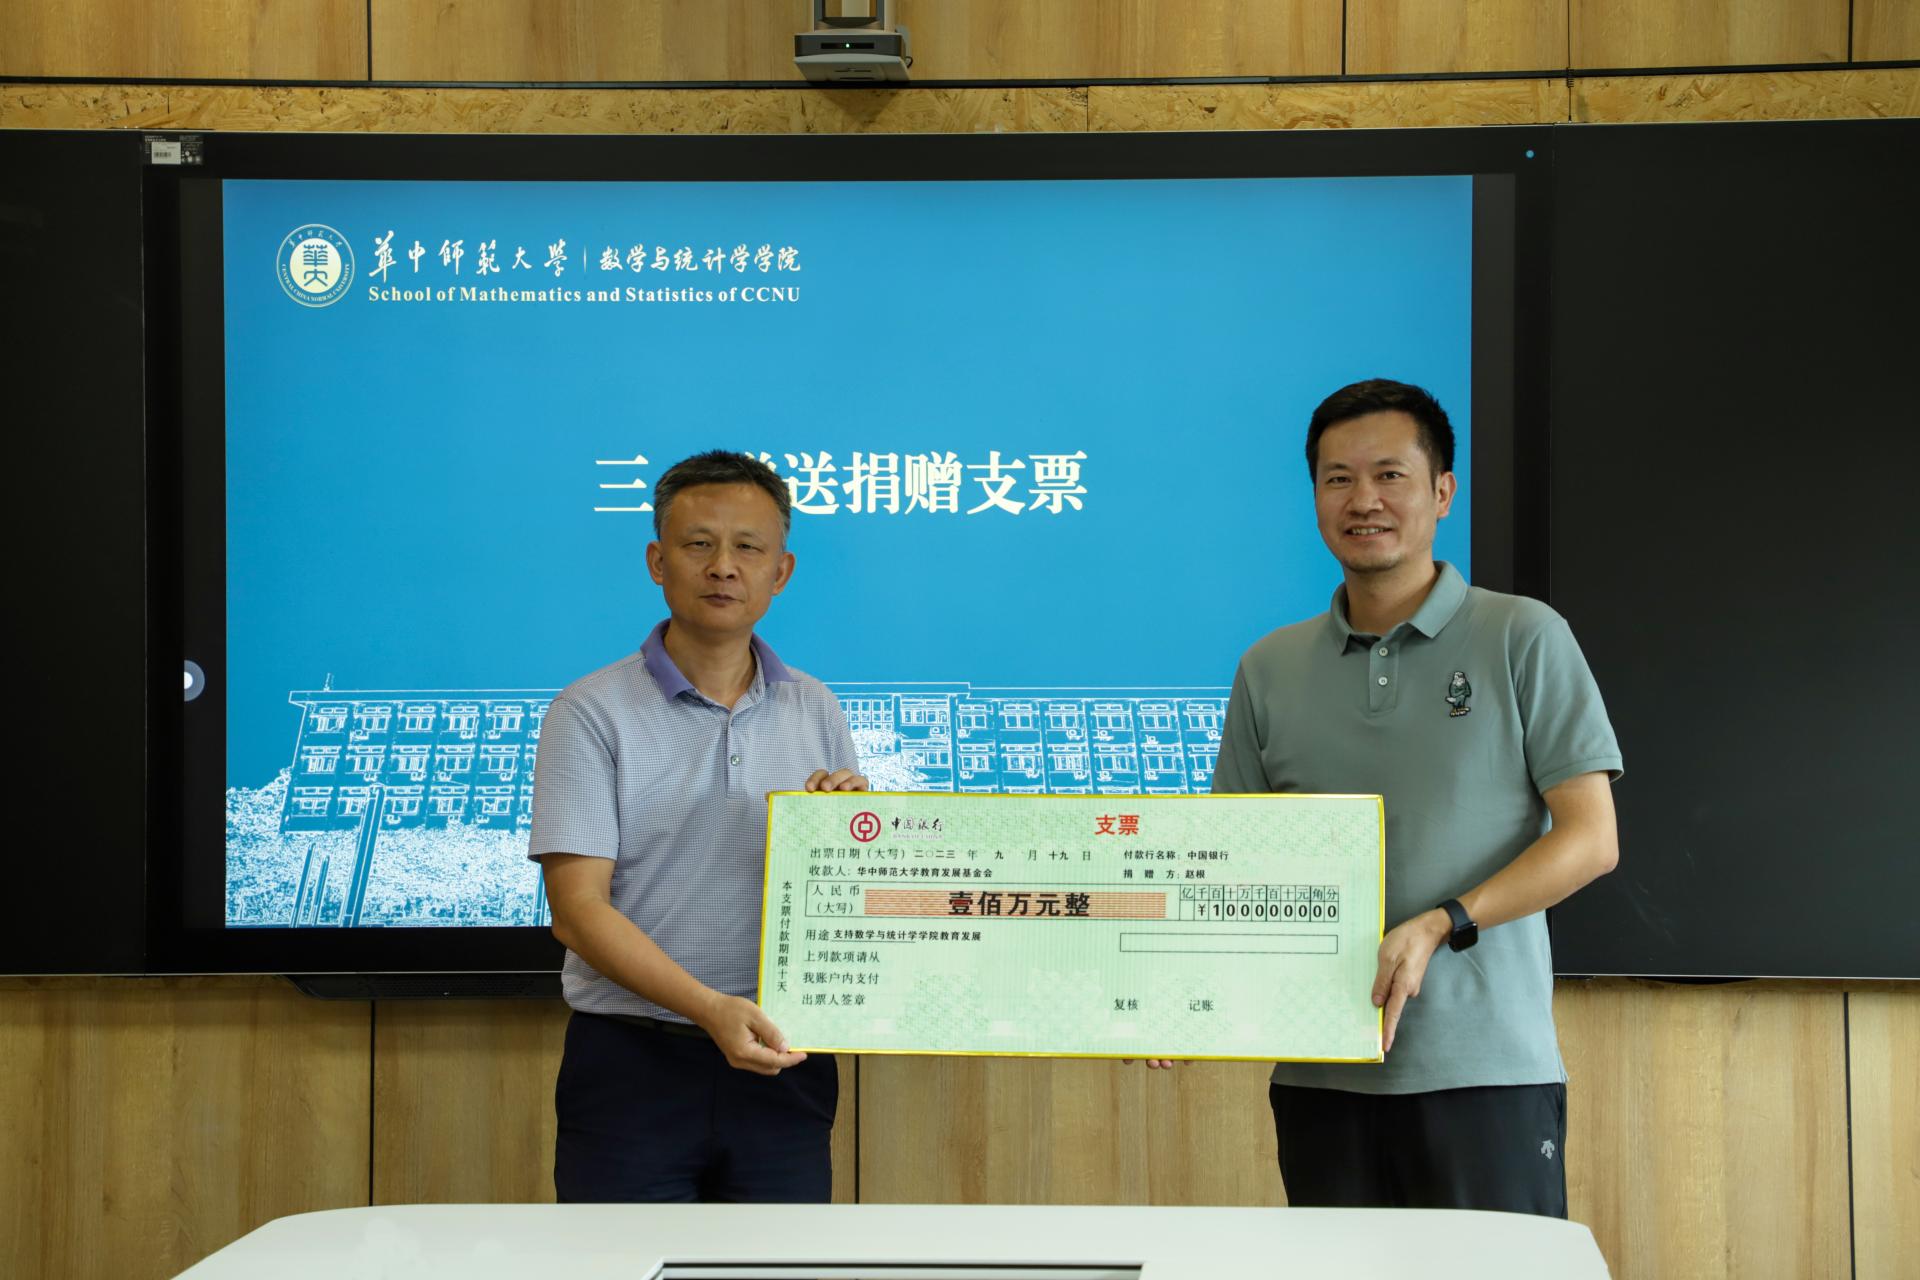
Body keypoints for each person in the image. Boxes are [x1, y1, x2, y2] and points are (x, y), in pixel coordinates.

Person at [1203, 378, 1623, 1216]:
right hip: (1322, 1074)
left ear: (1442, 492)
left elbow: (1591, 839)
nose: (1363, 500)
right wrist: (1176, 1003)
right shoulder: (1269, 667)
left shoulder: (1523, 635)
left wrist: (1443, 922)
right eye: (1338, 479)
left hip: (1486, 1074)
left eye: (1389, 475)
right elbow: (1228, 862)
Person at [528, 449, 867, 1203]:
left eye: (748, 547)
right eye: (698, 544)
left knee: (780, 1264)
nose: (723, 567)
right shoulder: (590, 711)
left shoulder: (815, 706)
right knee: (621, 1262)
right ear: (658, 561)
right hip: (632, 1065)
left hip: (784, 1060)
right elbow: (577, 912)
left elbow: (841, 894)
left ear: (781, 572)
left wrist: (849, 833)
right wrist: (710, 1010)